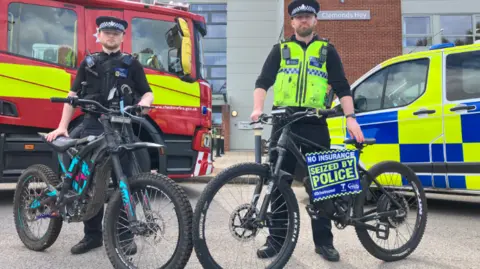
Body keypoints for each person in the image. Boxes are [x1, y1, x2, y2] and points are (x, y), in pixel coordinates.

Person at [250, 0, 364, 262]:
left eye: (308, 16)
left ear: (315, 21)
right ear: (291, 22)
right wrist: (257, 108)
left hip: (315, 122)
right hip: (284, 123)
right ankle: (277, 241)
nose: (303, 21)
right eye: (298, 17)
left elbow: (342, 86)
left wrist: (351, 118)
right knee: (278, 183)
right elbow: (263, 81)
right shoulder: (280, 50)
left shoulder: (327, 51)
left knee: (321, 184)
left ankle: (323, 243)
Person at [46, 15, 154, 255]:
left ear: (123, 37)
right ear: (100, 35)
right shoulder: (88, 63)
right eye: (107, 32)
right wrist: (63, 126)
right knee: (91, 183)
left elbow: (147, 93)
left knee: (125, 183)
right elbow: (72, 95)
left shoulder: (131, 64)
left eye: (116, 33)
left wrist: (145, 103)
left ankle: (125, 237)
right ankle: (92, 236)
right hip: (92, 127)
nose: (111, 36)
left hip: (123, 128)